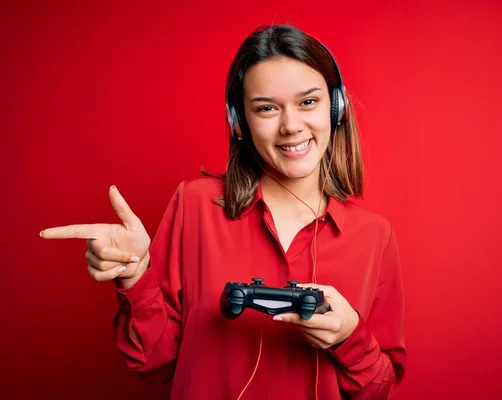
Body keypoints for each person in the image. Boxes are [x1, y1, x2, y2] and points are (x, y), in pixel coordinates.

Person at [40, 24, 407, 400]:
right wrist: (136, 274)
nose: (292, 126)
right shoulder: (194, 204)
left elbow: (378, 389)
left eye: (308, 102)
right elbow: (154, 363)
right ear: (239, 122)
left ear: (336, 108)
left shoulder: (375, 236)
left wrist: (349, 336)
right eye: (266, 108)